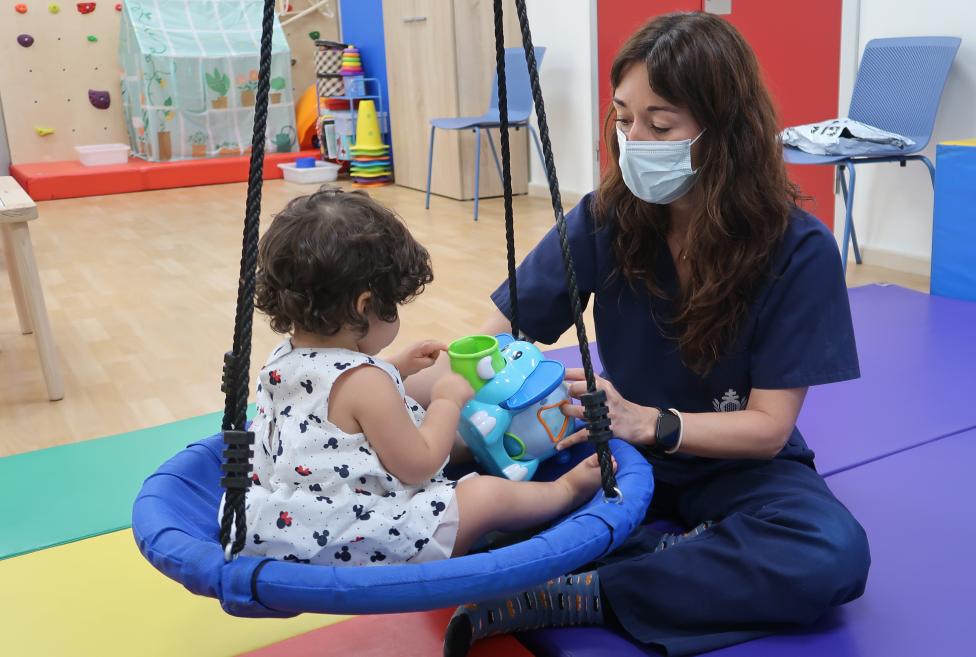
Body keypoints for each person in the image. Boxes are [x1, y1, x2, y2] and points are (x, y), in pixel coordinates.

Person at [443, 12, 870, 657]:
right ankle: (664, 558)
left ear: (723, 131)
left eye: (660, 124)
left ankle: (585, 587)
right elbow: (496, 337)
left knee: (830, 553)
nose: (634, 140)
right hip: (609, 449)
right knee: (469, 499)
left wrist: (653, 423)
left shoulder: (796, 250)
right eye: (623, 119)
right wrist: (417, 397)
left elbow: (767, 429)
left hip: (730, 462)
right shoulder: (606, 219)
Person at [236, 188, 608, 567]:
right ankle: (565, 491)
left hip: (285, 526)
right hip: (362, 540)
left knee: (426, 418)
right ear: (364, 307)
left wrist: (393, 368)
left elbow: (332, 409)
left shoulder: (285, 358)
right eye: (393, 306)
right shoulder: (366, 384)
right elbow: (419, 465)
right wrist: (446, 400)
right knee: (483, 494)